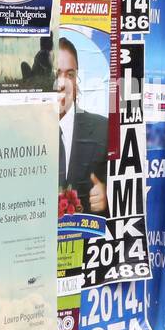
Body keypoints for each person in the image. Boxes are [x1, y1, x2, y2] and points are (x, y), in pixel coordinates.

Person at [56, 38, 107, 215]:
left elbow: (126, 191)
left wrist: (107, 195)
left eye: (70, 74)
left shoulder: (103, 130)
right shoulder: (23, 131)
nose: (62, 84)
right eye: (55, 74)